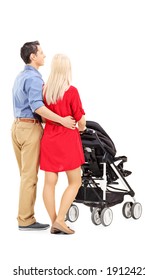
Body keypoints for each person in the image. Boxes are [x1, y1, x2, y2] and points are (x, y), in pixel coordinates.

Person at [11, 41, 76, 231]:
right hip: (30, 128)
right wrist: (62, 120)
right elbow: (37, 107)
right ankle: (26, 220)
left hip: (17, 127)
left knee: (26, 176)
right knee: (29, 178)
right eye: (41, 52)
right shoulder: (35, 79)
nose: (44, 55)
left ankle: (36, 218)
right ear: (33, 56)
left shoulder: (20, 76)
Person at [40, 54, 86, 234]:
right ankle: (60, 219)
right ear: (67, 69)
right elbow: (80, 120)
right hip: (67, 140)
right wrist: (81, 127)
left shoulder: (44, 91)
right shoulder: (71, 91)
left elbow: (43, 116)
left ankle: (54, 222)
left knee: (49, 182)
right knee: (75, 181)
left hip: (49, 139)